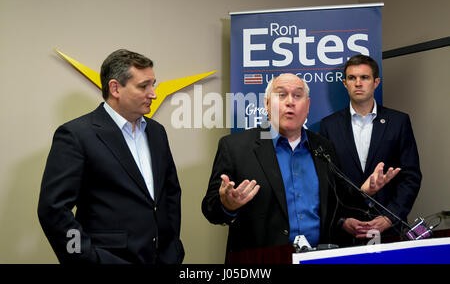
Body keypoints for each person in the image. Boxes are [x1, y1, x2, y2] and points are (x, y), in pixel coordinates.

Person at [202, 73, 399, 259]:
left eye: (298, 95)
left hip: (318, 258)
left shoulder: (324, 147)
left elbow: (335, 207)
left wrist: (363, 192)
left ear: (308, 106)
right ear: (267, 104)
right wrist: (227, 205)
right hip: (261, 261)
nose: (290, 101)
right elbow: (210, 210)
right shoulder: (235, 147)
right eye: (281, 95)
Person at [38, 49, 184, 264]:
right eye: (144, 86)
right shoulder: (76, 135)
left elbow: (170, 195)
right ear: (115, 88)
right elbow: (53, 211)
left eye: (153, 84)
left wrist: (172, 249)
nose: (153, 93)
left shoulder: (157, 132)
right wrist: (84, 257)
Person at [320, 54, 422, 238]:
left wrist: (390, 217)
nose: (358, 83)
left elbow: (411, 176)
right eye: (352, 78)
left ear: (376, 82)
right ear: (345, 83)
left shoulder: (398, 121)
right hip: (346, 232)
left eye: (364, 77)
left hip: (390, 230)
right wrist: (342, 220)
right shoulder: (329, 126)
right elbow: (325, 182)